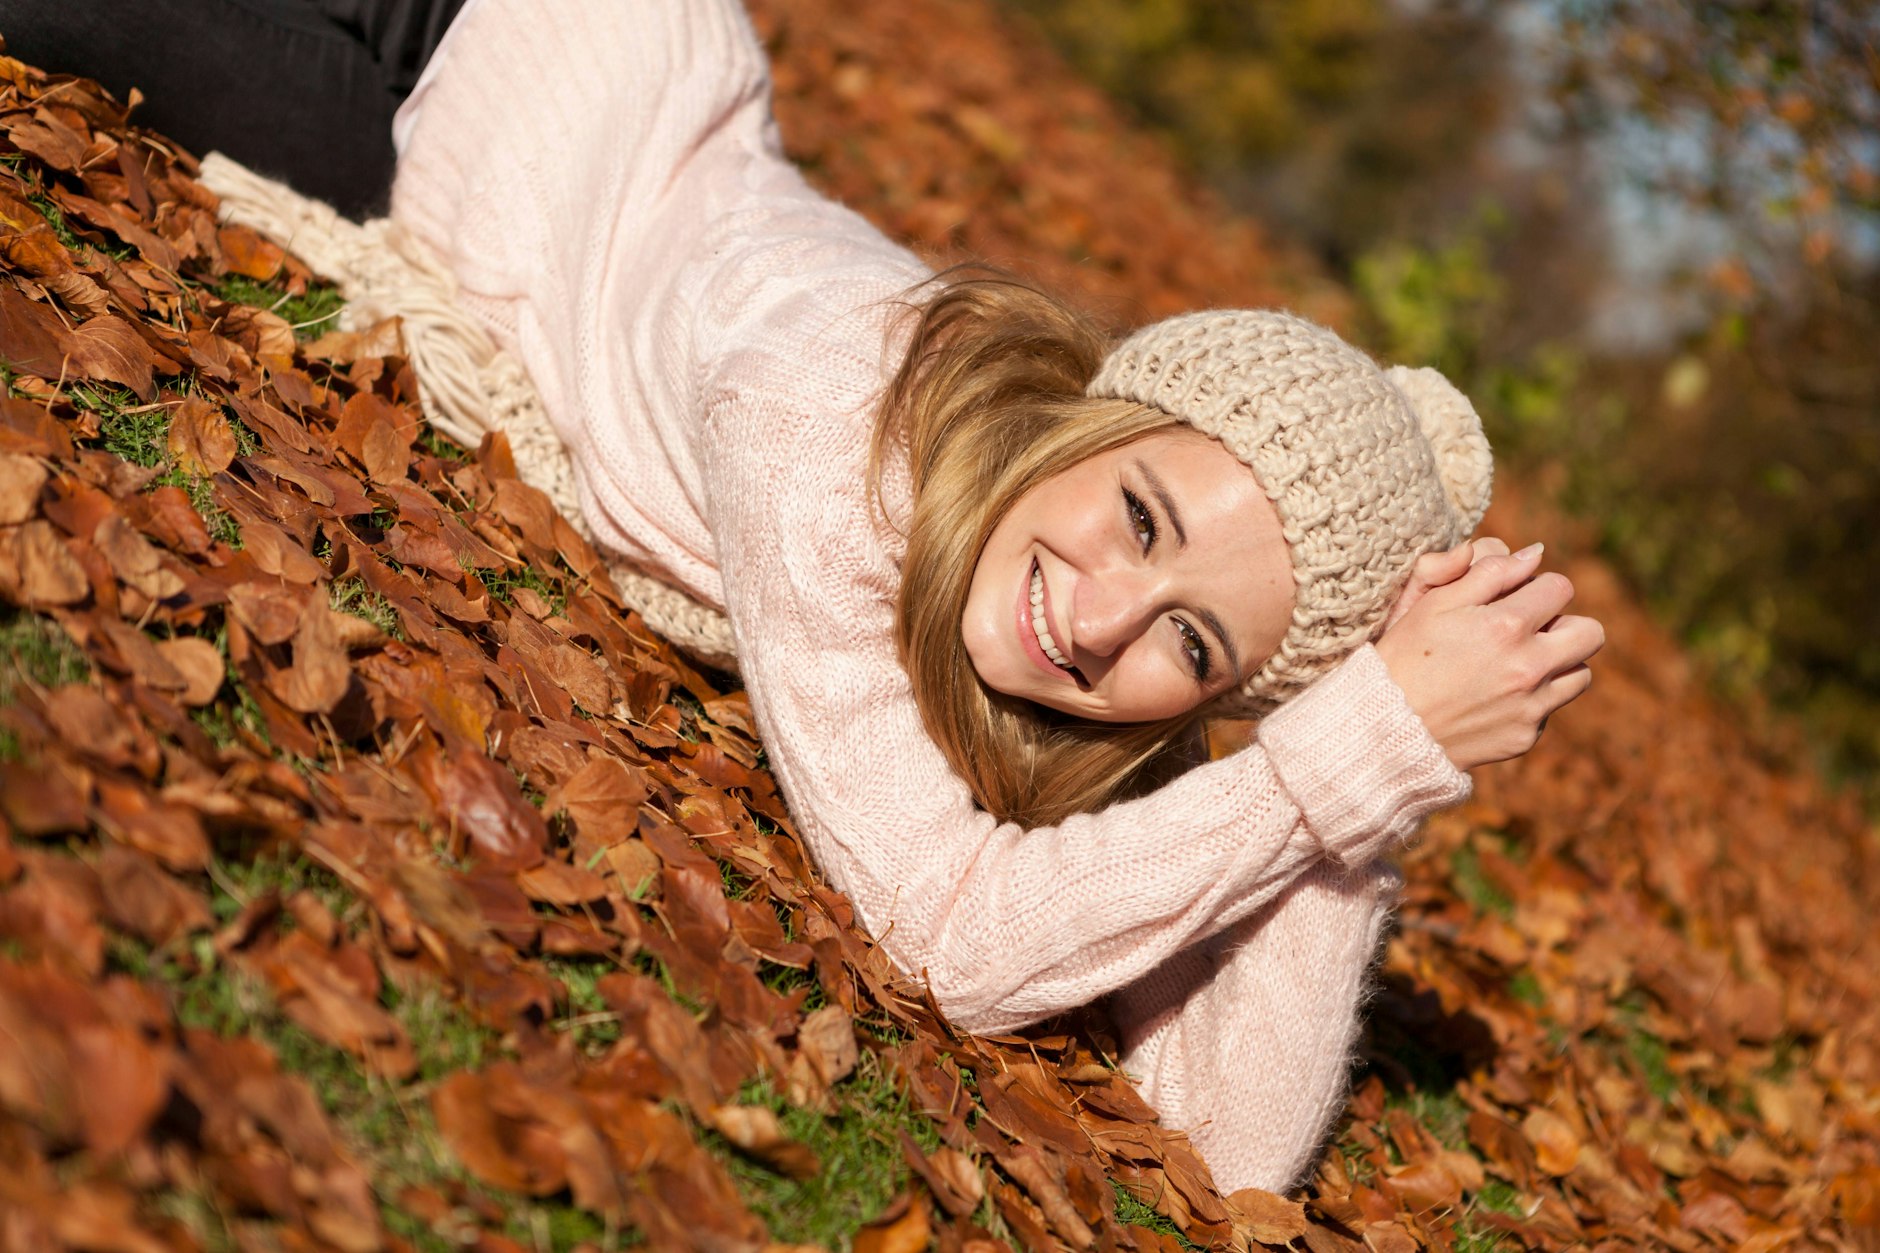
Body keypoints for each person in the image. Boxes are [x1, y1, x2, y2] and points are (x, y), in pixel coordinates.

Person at [35, 0, 1601, 1191]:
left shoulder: (1106, 685)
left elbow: (1234, 1144)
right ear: (1101, 416)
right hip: (467, 55)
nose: (1108, 616)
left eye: (1196, 640)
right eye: (1139, 511)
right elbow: (950, 933)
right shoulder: (833, 419)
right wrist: (1361, 745)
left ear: (1223, 697)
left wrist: (1365, 760)